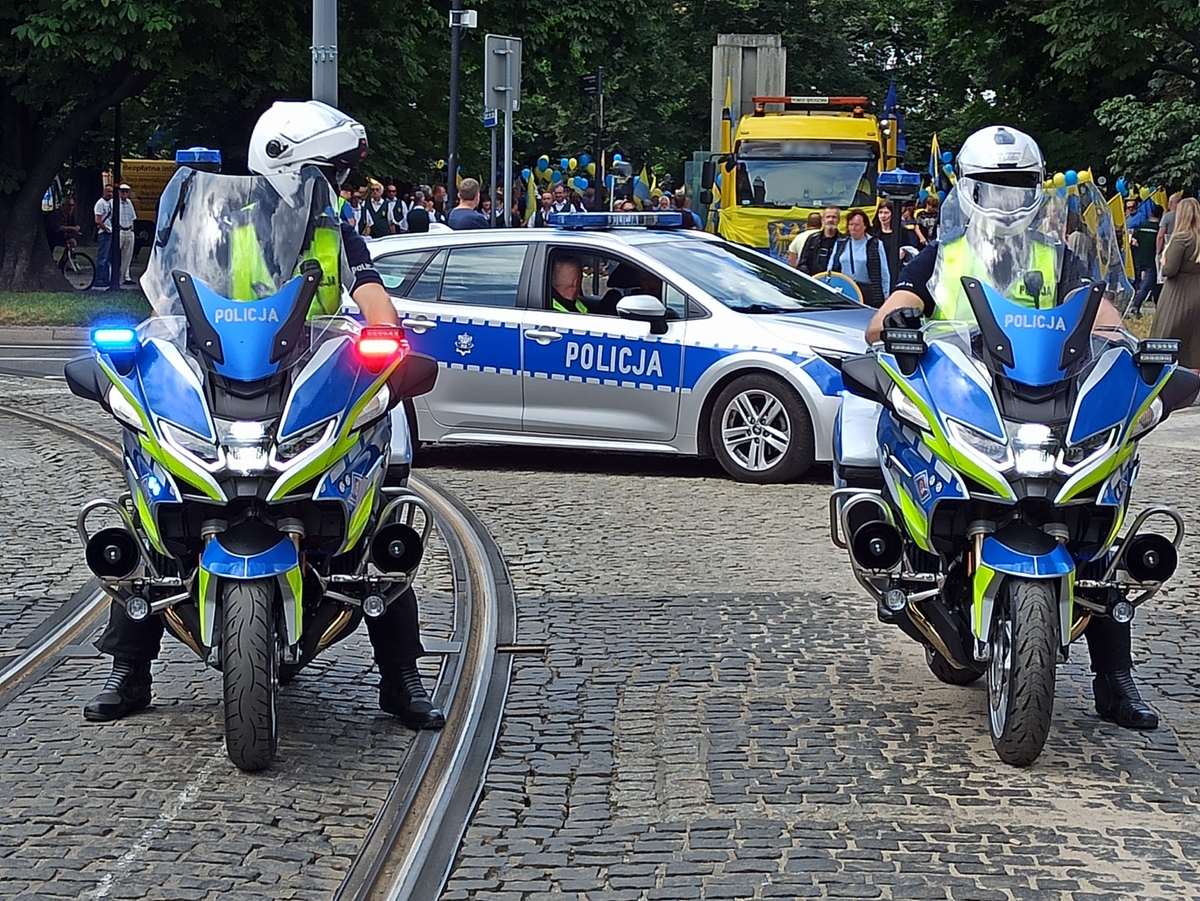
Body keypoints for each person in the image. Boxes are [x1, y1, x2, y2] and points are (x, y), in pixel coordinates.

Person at [84, 99, 446, 733]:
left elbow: (369, 297)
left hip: (313, 384)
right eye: (325, 170)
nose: (334, 185)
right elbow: (172, 291)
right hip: (226, 377)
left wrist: (390, 343)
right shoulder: (222, 228)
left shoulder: (336, 232)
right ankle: (129, 668)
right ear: (286, 165)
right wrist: (150, 345)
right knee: (150, 500)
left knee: (378, 517)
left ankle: (401, 678)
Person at [858, 125, 1155, 731]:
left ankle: (1114, 677)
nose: (1004, 199)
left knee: (1100, 512)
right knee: (905, 455)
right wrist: (900, 318)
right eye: (992, 187)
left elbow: (1101, 311)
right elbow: (889, 315)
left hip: (1045, 398)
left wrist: (1117, 337)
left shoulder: (1055, 255)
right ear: (967, 189)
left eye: (1017, 185)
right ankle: (915, 570)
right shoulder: (942, 256)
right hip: (968, 401)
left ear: (1036, 190)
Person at [1150, 197, 1200, 371]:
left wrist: (1163, 260)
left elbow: (1170, 270)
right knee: (1194, 342)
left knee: (1167, 336)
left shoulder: (1181, 239)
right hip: (1197, 291)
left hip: (1178, 294)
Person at [829, 209, 890, 307]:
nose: (853, 228)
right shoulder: (841, 242)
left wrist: (886, 295)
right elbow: (830, 268)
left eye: (857, 225)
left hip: (869, 292)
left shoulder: (875, 243)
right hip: (845, 289)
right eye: (851, 224)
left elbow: (884, 272)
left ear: (865, 226)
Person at [1128, 203, 1162, 316]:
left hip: (1140, 259)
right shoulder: (1159, 229)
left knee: (1155, 285)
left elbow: (1134, 241)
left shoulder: (1142, 226)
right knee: (1147, 285)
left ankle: (1159, 308)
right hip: (1152, 260)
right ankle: (1136, 306)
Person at [795, 206, 842, 274]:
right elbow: (803, 263)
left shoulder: (843, 241)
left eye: (834, 217)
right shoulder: (812, 239)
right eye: (828, 217)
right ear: (823, 220)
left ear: (839, 220)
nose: (831, 220)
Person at [45, 198, 82, 271]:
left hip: (63, 237)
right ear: (63, 205)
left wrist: (77, 227)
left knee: (72, 242)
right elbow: (59, 227)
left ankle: (64, 262)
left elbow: (75, 225)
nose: (71, 208)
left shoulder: (70, 216)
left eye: (73, 205)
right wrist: (71, 228)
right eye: (69, 205)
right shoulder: (56, 214)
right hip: (52, 237)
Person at [93, 184, 114, 288]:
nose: (110, 194)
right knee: (102, 257)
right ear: (104, 192)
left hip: (110, 233)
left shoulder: (111, 203)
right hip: (104, 233)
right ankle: (99, 278)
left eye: (111, 192)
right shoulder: (100, 203)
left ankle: (105, 278)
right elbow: (98, 220)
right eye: (108, 192)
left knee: (108, 258)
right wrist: (106, 229)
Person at [116, 184, 137, 284]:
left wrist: (132, 229)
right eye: (122, 191)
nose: (124, 193)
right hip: (119, 230)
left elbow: (132, 217)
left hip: (128, 230)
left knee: (128, 255)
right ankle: (115, 275)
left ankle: (126, 276)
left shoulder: (129, 203)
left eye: (126, 191)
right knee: (115, 254)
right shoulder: (115, 203)